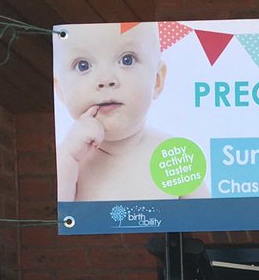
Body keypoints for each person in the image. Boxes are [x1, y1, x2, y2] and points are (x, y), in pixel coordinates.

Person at [54, 22, 207, 201]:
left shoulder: (175, 157)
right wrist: (67, 159)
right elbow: (53, 214)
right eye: (83, 65)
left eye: (127, 60)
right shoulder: (67, 161)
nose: (106, 80)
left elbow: (208, 215)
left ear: (157, 81)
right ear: (61, 90)